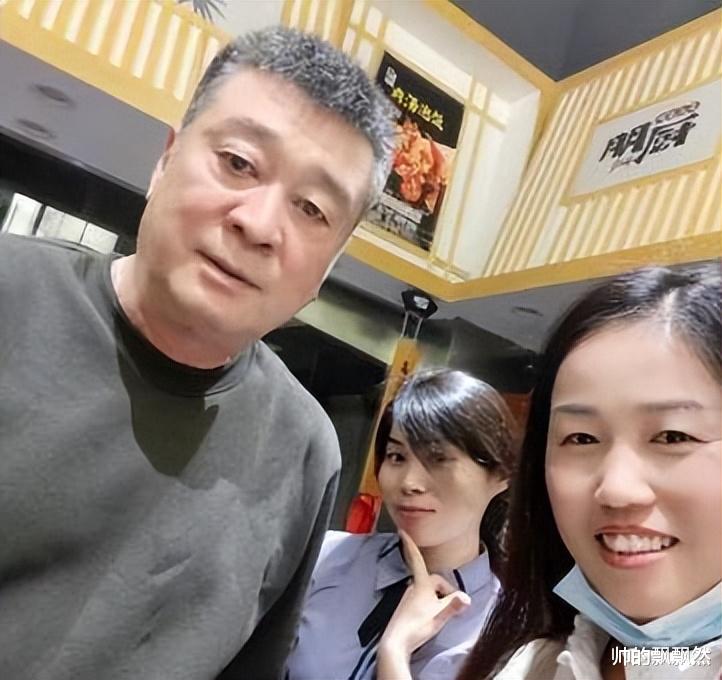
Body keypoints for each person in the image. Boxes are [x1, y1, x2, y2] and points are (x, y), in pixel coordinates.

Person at [0, 26, 395, 680]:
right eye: (238, 163)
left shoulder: (305, 452)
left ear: (330, 264)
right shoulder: (12, 292)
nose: (260, 224)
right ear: (166, 159)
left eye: (312, 209)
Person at [378, 264, 722, 680]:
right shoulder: (532, 662)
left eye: (672, 436)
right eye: (581, 438)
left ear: (501, 474)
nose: (616, 489)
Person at [285, 368, 519, 680]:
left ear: (500, 474)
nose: (409, 482)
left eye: (438, 458)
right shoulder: (325, 559)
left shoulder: (508, 633)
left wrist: (395, 651)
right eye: (396, 456)